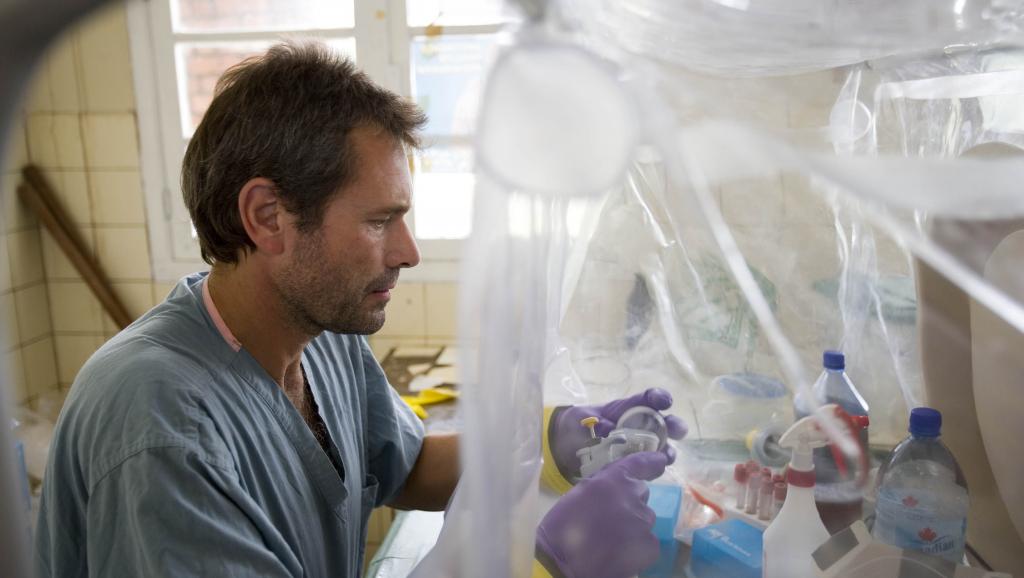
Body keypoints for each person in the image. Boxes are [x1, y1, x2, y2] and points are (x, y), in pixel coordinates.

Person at [34, 41, 686, 578]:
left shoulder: (320, 333)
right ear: (268, 218)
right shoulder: (160, 424)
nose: (408, 252)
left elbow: (403, 468)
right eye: (380, 222)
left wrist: (544, 441)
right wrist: (549, 566)